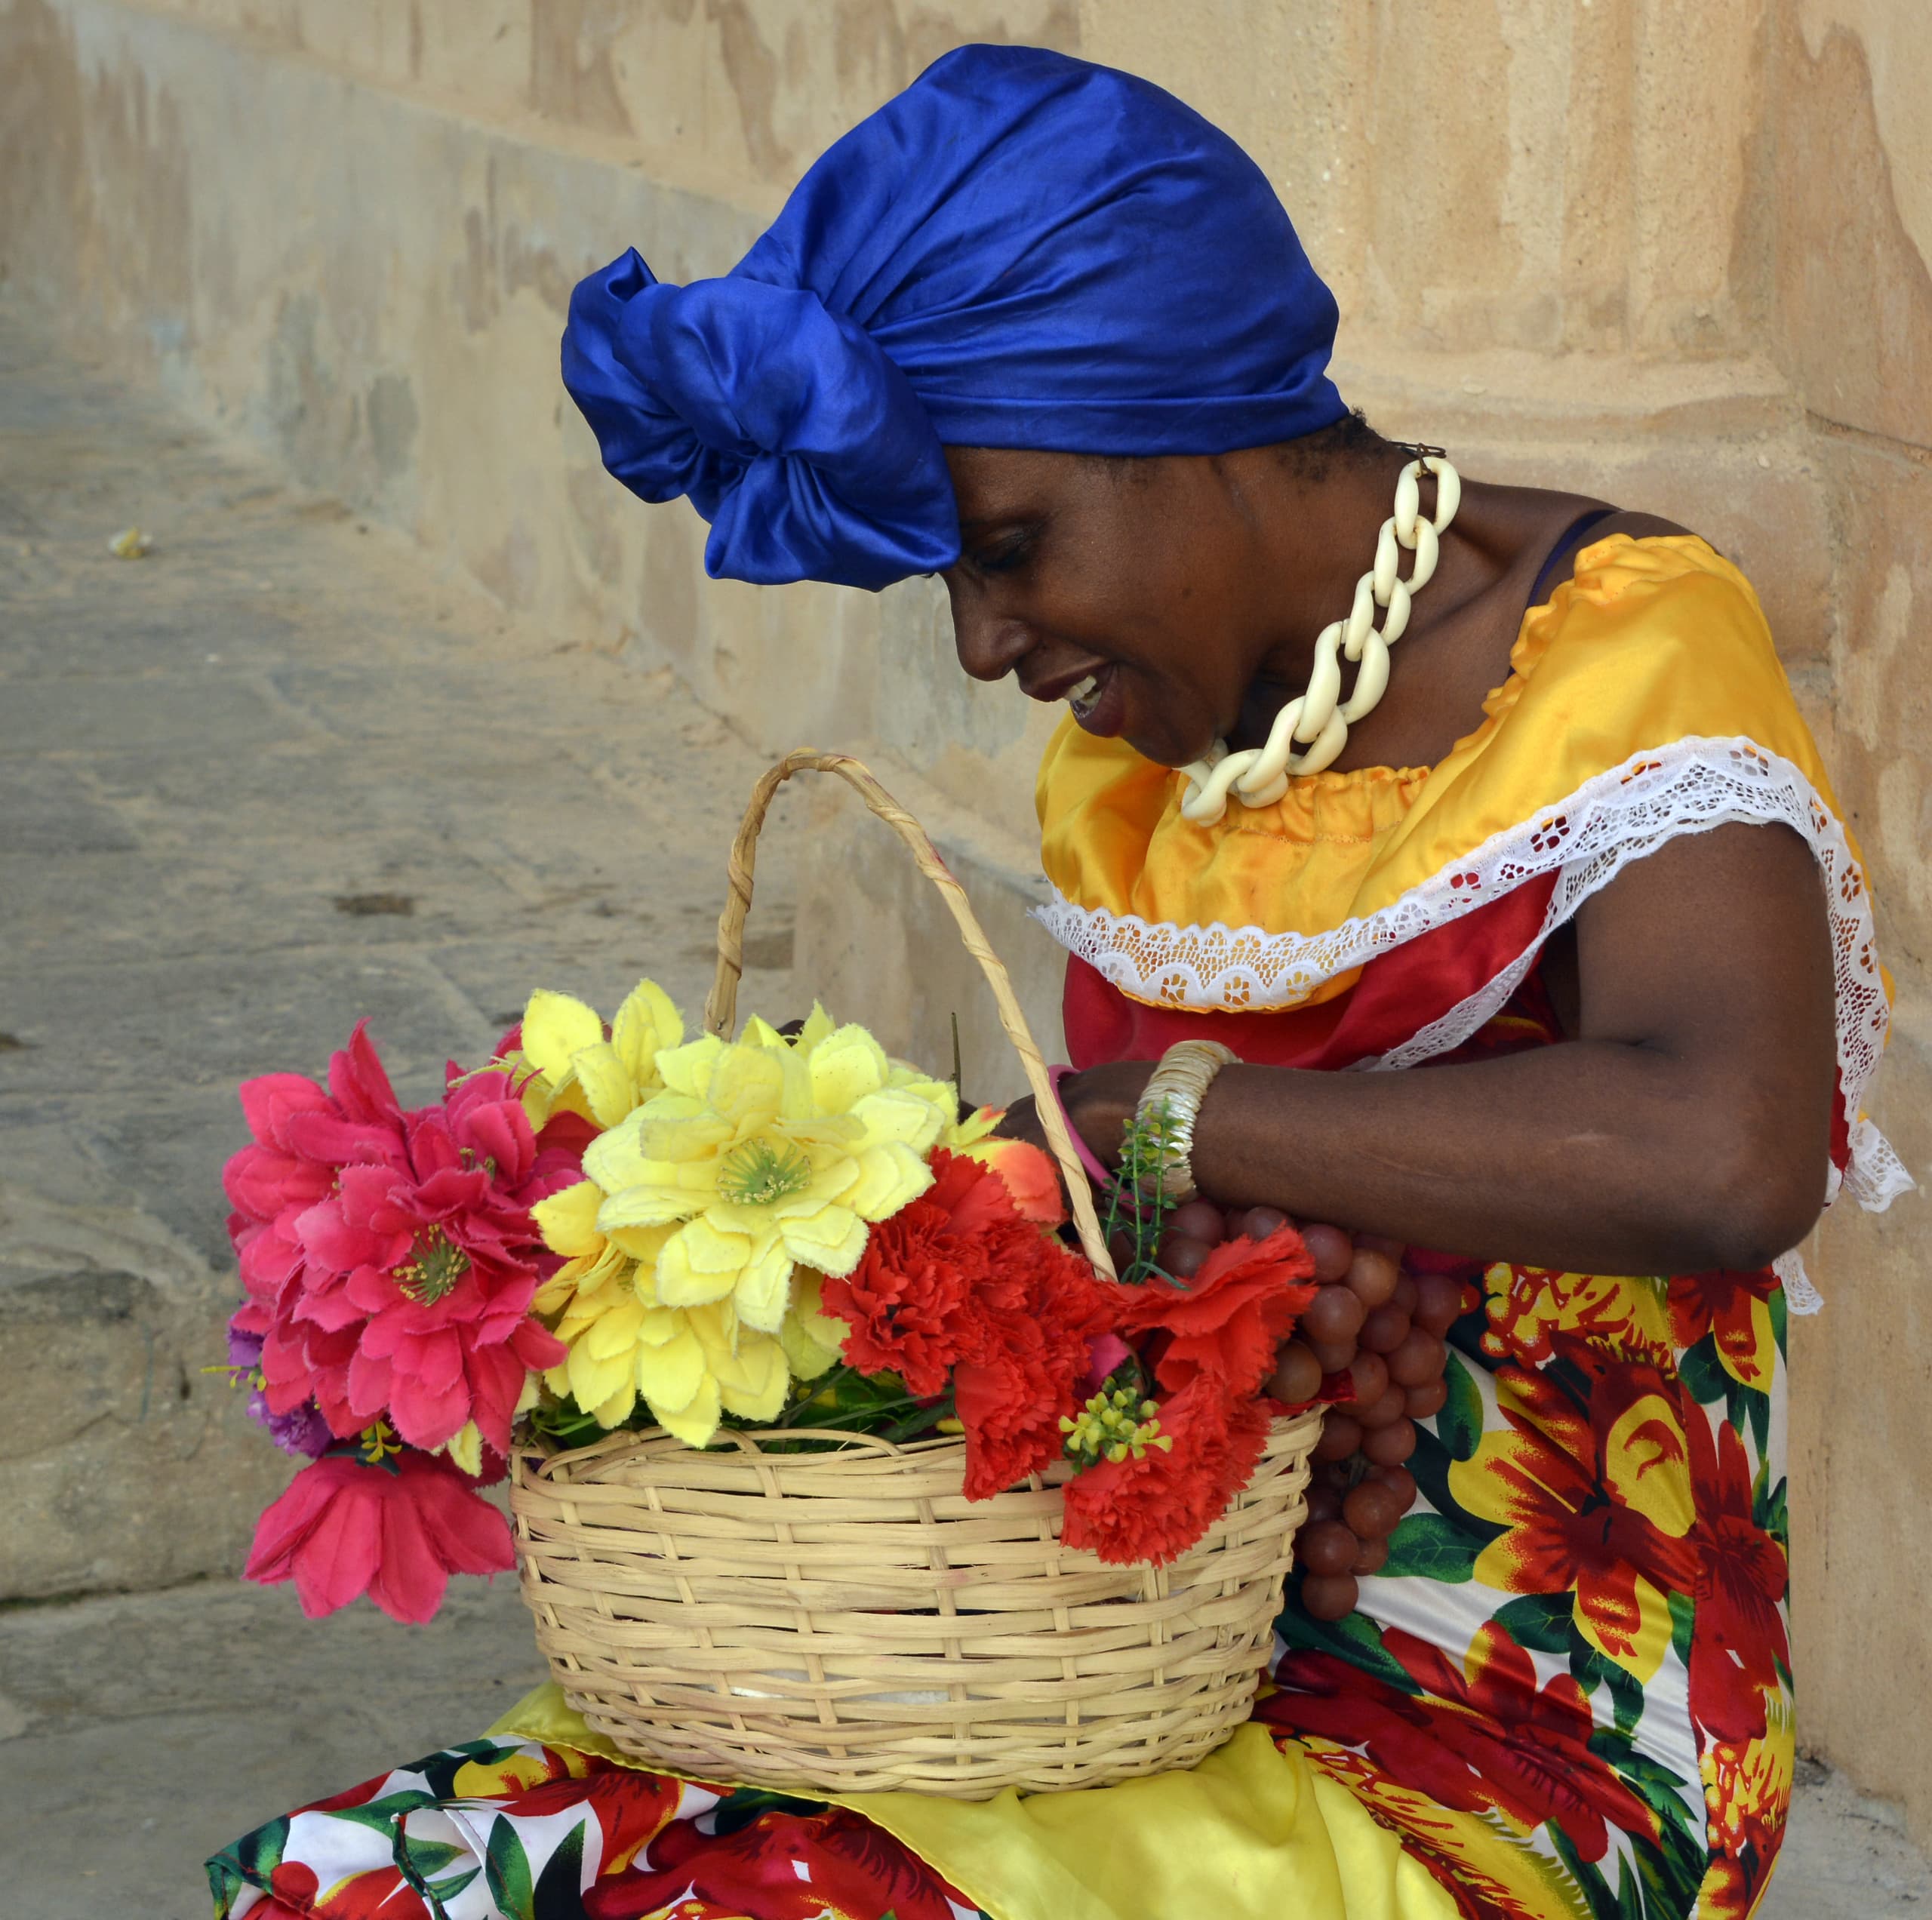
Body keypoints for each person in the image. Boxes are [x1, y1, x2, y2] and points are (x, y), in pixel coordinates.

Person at [208, 44, 1906, 1920]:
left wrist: (1146, 1114)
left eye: (1006, 549)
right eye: (947, 580)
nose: (984, 640)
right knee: (412, 1874)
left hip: (1525, 1709)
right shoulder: (1138, 753)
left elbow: (1725, 1152)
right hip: (1123, 1645)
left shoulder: (1616, 648)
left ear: (1185, 428)